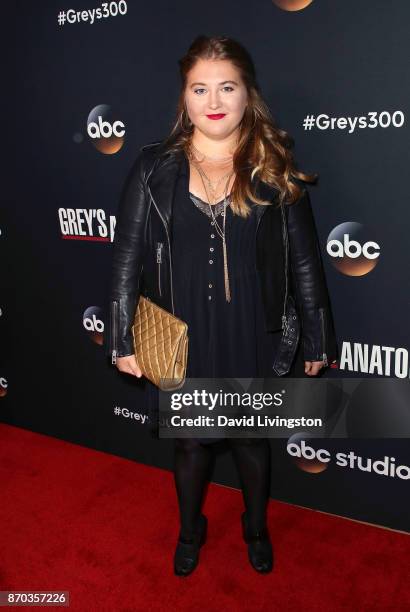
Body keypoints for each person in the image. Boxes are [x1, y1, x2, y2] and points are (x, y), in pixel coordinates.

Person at [106, 35, 338, 577]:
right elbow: (125, 258)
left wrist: (318, 336)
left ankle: (255, 528)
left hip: (250, 332)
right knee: (190, 446)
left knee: (253, 442)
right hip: (183, 334)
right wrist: (120, 338)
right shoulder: (150, 169)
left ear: (246, 94)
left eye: (226, 86)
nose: (214, 99)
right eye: (200, 87)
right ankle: (192, 531)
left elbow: (305, 261)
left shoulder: (275, 168)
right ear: (184, 98)